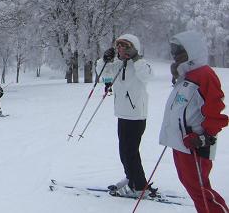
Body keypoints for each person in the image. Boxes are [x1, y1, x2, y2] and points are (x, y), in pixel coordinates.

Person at [159, 30, 228, 213]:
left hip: (195, 143)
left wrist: (205, 136)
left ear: (192, 50)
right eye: (173, 51)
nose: (175, 55)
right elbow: (183, 106)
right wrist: (178, 76)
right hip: (181, 142)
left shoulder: (204, 74)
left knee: (200, 189)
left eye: (180, 51)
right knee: (192, 187)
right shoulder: (186, 75)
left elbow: (215, 109)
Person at [98, 34, 154, 197]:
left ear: (133, 48)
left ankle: (138, 186)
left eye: (125, 46)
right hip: (122, 113)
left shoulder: (140, 64)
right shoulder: (118, 64)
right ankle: (132, 178)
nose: (120, 49)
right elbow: (102, 72)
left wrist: (136, 58)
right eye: (119, 46)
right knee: (124, 151)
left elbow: (147, 76)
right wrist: (104, 59)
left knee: (130, 152)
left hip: (136, 115)